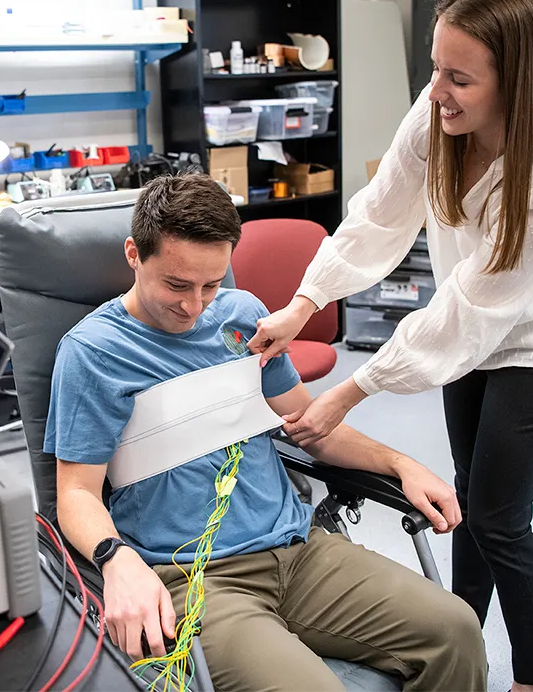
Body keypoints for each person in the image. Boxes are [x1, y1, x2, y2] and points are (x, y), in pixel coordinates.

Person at [248, 0, 533, 692]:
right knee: (471, 498)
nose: (438, 91)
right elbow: (380, 211)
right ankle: (460, 637)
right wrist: (303, 301)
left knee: (502, 518)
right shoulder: (440, 109)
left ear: (520, 83)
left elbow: (463, 318)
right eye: (437, 69)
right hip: (471, 326)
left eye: (460, 79)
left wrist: (349, 392)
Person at [47, 174, 487, 692]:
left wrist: (399, 463)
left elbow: (310, 428)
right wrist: (115, 561)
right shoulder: (93, 354)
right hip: (194, 578)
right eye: (176, 285)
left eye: (211, 284)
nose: (195, 306)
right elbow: (75, 492)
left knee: (457, 631)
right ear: (134, 255)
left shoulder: (243, 317)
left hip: (298, 551)